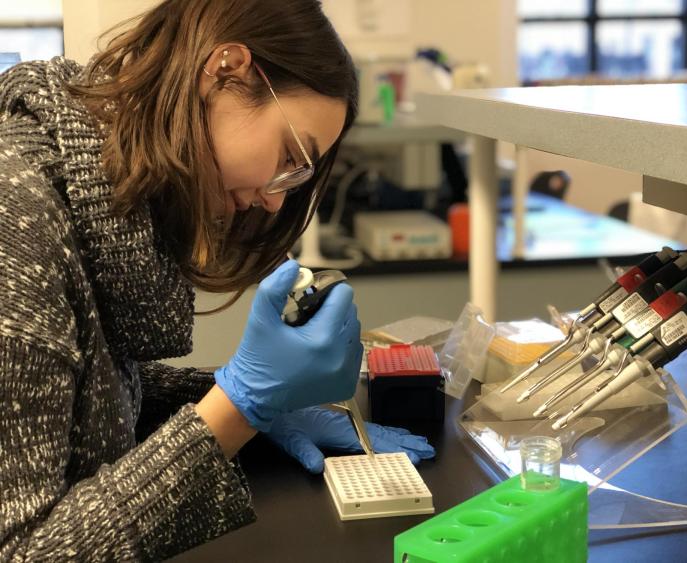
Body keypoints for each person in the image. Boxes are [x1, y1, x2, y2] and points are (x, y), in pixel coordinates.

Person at [0, 0, 435, 560]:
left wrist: (261, 404)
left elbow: (87, 396)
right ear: (225, 70)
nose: (277, 198)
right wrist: (236, 407)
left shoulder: (94, 192)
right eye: (291, 154)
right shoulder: (17, 213)